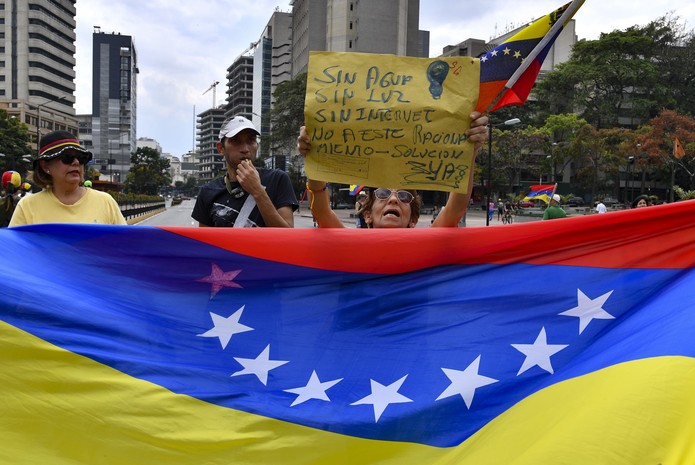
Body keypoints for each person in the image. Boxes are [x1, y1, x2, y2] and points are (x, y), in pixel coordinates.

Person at [297, 112, 488, 228]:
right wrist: (315, 157)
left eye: (404, 196)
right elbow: (321, 211)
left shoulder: (425, 247)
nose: (394, 199)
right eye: (383, 193)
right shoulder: (349, 245)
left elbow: (456, 208)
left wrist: (469, 151)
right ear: (367, 215)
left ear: (412, 220)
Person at [192, 116, 297, 228]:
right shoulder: (208, 191)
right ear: (221, 148)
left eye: (251, 140)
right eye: (236, 141)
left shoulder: (278, 179)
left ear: (257, 146)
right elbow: (204, 242)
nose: (245, 149)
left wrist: (258, 191)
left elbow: (286, 236)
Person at [9, 131, 126, 226]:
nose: (76, 162)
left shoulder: (105, 202)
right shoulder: (27, 206)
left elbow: (125, 245)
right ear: (45, 166)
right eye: (67, 157)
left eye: (80, 158)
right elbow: (14, 251)